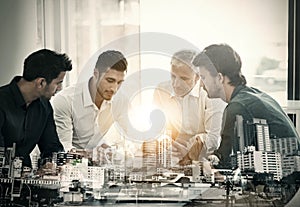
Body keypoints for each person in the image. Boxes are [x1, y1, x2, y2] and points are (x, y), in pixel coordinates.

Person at [192, 43, 299, 169]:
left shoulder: (238, 107)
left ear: (220, 78)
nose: (201, 85)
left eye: (203, 77)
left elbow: (225, 162)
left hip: (280, 182)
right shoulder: (254, 95)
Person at [0, 49, 72, 168]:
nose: (59, 88)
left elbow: (52, 148)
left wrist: (52, 163)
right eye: (58, 83)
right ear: (41, 83)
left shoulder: (45, 107)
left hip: (28, 183)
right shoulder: (2, 102)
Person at [153, 50, 227, 165]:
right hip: (171, 156)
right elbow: (157, 130)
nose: (176, 84)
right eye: (173, 76)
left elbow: (214, 138)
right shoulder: (161, 91)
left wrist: (189, 152)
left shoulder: (211, 94)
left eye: (184, 78)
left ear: (197, 77)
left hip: (203, 158)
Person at [52, 50, 129, 151]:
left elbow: (132, 137)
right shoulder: (65, 100)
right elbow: (63, 149)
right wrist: (94, 155)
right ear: (96, 73)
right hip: (69, 165)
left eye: (119, 82)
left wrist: (114, 151)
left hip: (98, 164)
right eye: (110, 81)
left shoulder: (120, 100)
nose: (114, 89)